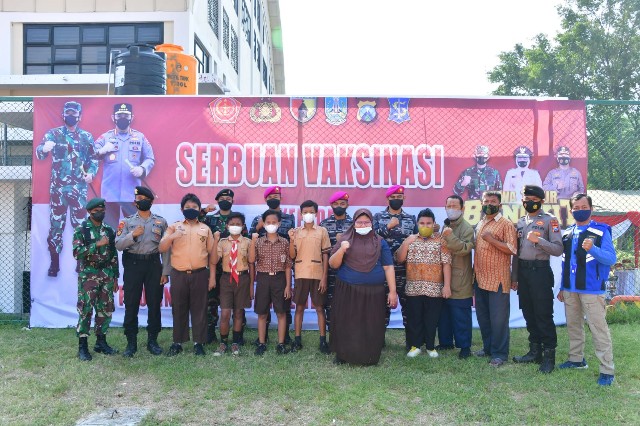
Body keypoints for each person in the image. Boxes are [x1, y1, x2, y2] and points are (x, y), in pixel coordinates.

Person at [557, 193, 616, 386]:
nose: (580, 211)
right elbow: (566, 263)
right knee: (573, 325)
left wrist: (593, 249)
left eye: (584, 207)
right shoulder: (567, 232)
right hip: (570, 289)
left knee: (598, 329)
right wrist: (562, 287)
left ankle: (607, 370)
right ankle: (576, 360)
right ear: (571, 210)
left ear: (591, 209)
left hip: (592, 289)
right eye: (576, 208)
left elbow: (611, 258)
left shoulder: (601, 231)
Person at [36, 101, 98, 277]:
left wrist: (91, 173)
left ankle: (81, 262)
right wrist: (44, 148)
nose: (70, 116)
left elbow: (93, 159)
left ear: (79, 116)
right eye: (68, 113)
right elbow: (39, 153)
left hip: (79, 190)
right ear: (63, 115)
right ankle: (54, 264)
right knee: (56, 226)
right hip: (58, 190)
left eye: (74, 113)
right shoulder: (54, 134)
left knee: (81, 226)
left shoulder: (86, 136)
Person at [329, 209, 398, 366]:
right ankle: (343, 355)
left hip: (374, 292)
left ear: (371, 224)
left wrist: (393, 291)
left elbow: (388, 267)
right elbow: (333, 264)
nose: (363, 225)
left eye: (366, 222)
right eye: (359, 222)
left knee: (371, 324)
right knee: (347, 323)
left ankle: (369, 356)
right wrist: (342, 249)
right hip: (348, 290)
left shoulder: (380, 242)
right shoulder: (345, 239)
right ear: (353, 224)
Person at [511, 185, 563, 373]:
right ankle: (535, 352)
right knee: (528, 312)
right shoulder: (520, 222)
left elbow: (558, 249)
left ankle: (549, 356)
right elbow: (516, 253)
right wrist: (514, 277)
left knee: (543, 314)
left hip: (540, 272)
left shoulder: (550, 220)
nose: (529, 202)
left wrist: (538, 240)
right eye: (527, 199)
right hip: (523, 273)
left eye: (534, 199)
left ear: (541, 201)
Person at [115, 186, 170, 357]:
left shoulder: (161, 222)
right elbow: (118, 245)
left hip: (153, 264)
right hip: (133, 265)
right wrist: (133, 235)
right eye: (139, 199)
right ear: (135, 202)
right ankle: (131, 342)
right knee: (131, 303)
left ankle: (152, 341)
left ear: (151, 202)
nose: (142, 202)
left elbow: (166, 249)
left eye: (145, 199)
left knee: (154, 303)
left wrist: (165, 271)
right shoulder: (127, 222)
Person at [159, 193, 215, 356]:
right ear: (181, 209)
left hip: (200, 274)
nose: (191, 209)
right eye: (187, 207)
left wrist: (212, 276)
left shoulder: (205, 228)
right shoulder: (173, 227)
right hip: (179, 274)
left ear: (199, 209)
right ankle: (177, 342)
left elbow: (212, 254)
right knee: (178, 308)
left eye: (194, 207)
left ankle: (199, 343)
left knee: (200, 308)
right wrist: (173, 237)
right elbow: (162, 248)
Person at [395, 208, 451, 359]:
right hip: (413, 288)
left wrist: (446, 286)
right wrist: (406, 243)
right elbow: (399, 259)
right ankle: (415, 346)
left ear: (434, 224)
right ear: (417, 223)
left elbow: (446, 264)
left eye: (428, 223)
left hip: (435, 288)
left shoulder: (441, 241)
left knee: (431, 319)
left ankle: (431, 347)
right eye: (422, 223)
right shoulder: (410, 239)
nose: (425, 226)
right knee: (414, 318)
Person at [473, 191, 518, 367]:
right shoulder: (481, 222)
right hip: (480, 277)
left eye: (492, 201)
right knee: (483, 317)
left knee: (499, 319)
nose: (489, 204)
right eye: (486, 201)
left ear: (500, 205)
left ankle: (500, 354)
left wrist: (491, 240)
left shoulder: (506, 224)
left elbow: (512, 249)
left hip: (498, 279)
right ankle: (488, 348)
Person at [72, 198, 119, 361]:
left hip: (106, 274)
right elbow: (77, 253)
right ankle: (83, 346)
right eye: (97, 211)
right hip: (88, 274)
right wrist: (96, 244)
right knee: (86, 309)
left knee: (105, 308)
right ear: (89, 212)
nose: (100, 213)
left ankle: (101, 342)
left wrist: (115, 276)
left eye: (102, 210)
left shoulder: (109, 230)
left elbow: (113, 255)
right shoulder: (82, 229)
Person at [94, 103, 155, 228]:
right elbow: (92, 155)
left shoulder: (140, 137)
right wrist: (102, 150)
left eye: (126, 116)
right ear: (113, 117)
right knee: (109, 230)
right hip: (110, 194)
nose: (123, 118)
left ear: (131, 118)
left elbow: (150, 158)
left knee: (133, 230)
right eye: (119, 115)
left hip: (131, 194)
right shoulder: (105, 137)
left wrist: (142, 169)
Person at [200, 188, 248, 344]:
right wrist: (203, 211)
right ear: (217, 201)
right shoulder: (210, 219)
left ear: (232, 201)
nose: (225, 201)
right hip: (215, 268)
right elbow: (194, 221)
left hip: (235, 268)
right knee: (212, 302)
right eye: (222, 199)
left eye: (228, 199)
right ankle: (210, 333)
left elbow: (246, 242)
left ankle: (238, 335)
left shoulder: (237, 220)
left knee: (238, 304)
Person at [249, 186, 296, 344]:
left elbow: (289, 261)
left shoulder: (287, 226)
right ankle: (262, 341)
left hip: (280, 274)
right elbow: (251, 255)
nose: (271, 224)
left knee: (282, 311)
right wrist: (257, 231)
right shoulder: (259, 228)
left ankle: (283, 340)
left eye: (276, 196)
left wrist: (288, 285)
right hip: (263, 275)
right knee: (262, 312)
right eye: (268, 222)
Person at [373, 184, 418, 348]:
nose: (396, 200)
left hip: (406, 271)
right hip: (383, 270)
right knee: (381, 308)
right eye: (393, 197)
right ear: (388, 199)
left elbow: (417, 241)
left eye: (399, 197)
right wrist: (387, 227)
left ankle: (411, 342)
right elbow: (372, 238)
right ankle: (378, 341)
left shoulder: (411, 219)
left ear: (404, 198)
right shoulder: (378, 217)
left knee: (409, 308)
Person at [289, 200, 332, 354]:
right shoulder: (296, 232)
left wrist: (324, 277)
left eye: (311, 212)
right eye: (305, 212)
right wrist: (291, 240)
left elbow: (326, 255)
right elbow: (292, 255)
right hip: (301, 273)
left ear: (316, 213)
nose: (308, 214)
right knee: (299, 307)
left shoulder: (322, 231)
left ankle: (323, 340)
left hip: (317, 274)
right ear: (301, 214)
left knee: (320, 307)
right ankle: (297, 340)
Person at [436, 195, 475, 359]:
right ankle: (446, 342)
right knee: (444, 314)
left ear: (462, 208)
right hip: (444, 278)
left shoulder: (467, 228)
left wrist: (450, 236)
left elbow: (465, 249)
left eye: (455, 206)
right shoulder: (445, 225)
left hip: (460, 278)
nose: (451, 209)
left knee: (461, 316)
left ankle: (465, 347)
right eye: (449, 206)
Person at [212, 212, 254, 357]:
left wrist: (251, 286)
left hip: (242, 278)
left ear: (243, 226)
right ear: (227, 226)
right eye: (232, 224)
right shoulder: (222, 242)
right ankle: (223, 342)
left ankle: (235, 342)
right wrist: (215, 240)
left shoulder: (248, 242)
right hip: (226, 278)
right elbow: (213, 261)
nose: (235, 226)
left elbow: (252, 262)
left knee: (238, 312)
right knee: (225, 313)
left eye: (238, 224)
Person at [320, 191, 353, 329]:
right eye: (336, 204)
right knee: (331, 304)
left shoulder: (354, 224)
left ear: (347, 205)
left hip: (350, 271)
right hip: (331, 272)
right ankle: (332, 334)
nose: (339, 206)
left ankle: (349, 334)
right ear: (331, 206)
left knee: (350, 304)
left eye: (342, 203)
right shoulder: (324, 224)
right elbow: (321, 251)